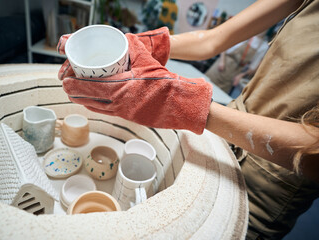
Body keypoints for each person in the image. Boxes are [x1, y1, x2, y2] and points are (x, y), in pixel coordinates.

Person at [57, 0, 319, 239]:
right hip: (226, 129)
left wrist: (185, 103)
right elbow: (212, 40)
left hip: (271, 182)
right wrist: (142, 46)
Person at [205, 31, 269, 94]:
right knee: (205, 86)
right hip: (223, 63)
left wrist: (241, 75)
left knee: (219, 94)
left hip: (235, 72)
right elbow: (225, 45)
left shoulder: (264, 46)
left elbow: (253, 68)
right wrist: (222, 61)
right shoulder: (245, 33)